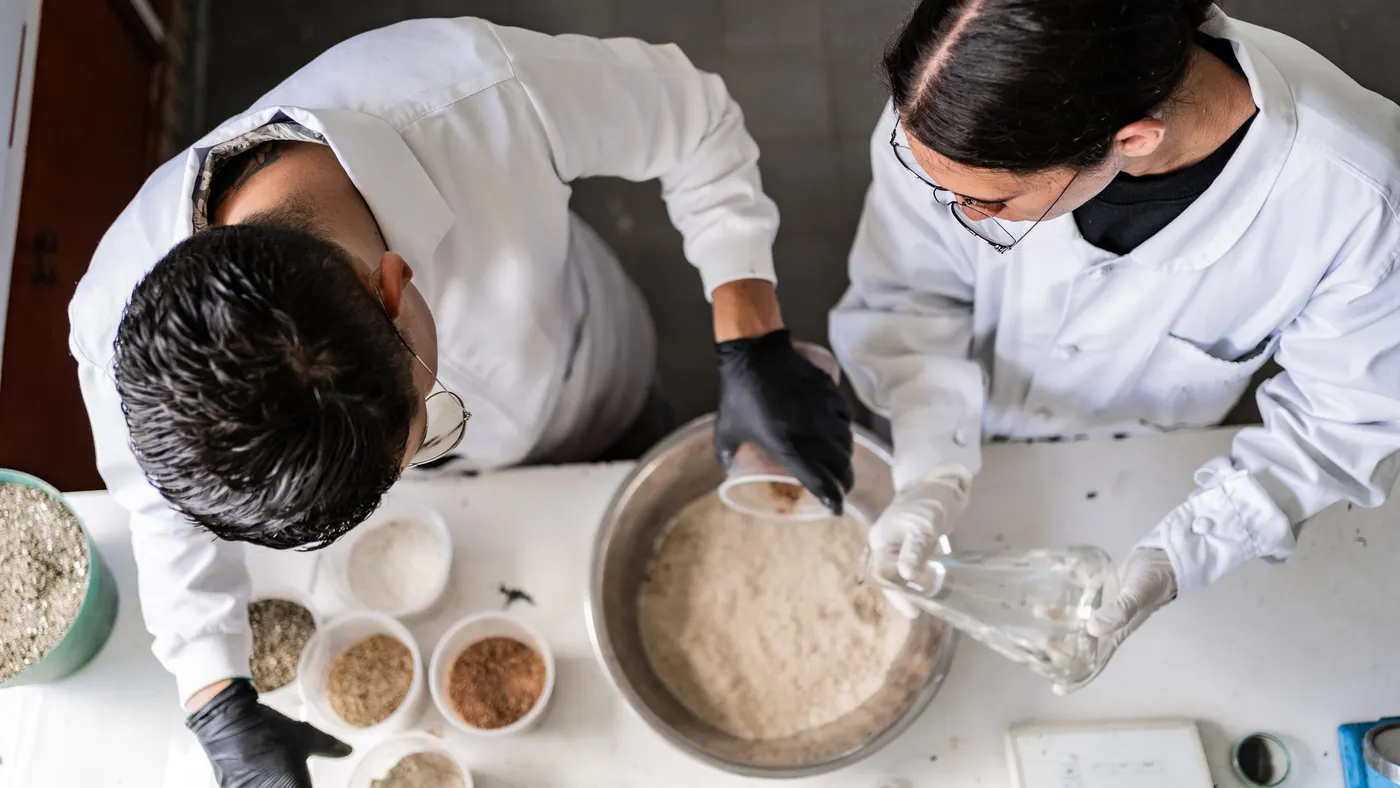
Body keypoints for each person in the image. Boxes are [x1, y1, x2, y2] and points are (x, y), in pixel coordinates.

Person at [70, 18, 851, 787]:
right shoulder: (114, 328)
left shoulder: (482, 93)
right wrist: (215, 699)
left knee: (643, 424)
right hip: (483, 480)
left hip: (588, 365)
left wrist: (752, 340)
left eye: (426, 421)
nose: (447, 431)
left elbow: (694, 118)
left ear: (392, 284)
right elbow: (161, 509)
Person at [833, 0, 1400, 678]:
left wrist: (1187, 548)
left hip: (1148, 479)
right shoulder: (953, 106)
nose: (962, 211)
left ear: (1133, 141)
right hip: (970, 441)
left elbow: (1344, 422)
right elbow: (908, 297)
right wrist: (930, 466)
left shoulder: (1359, 199)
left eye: (996, 205)